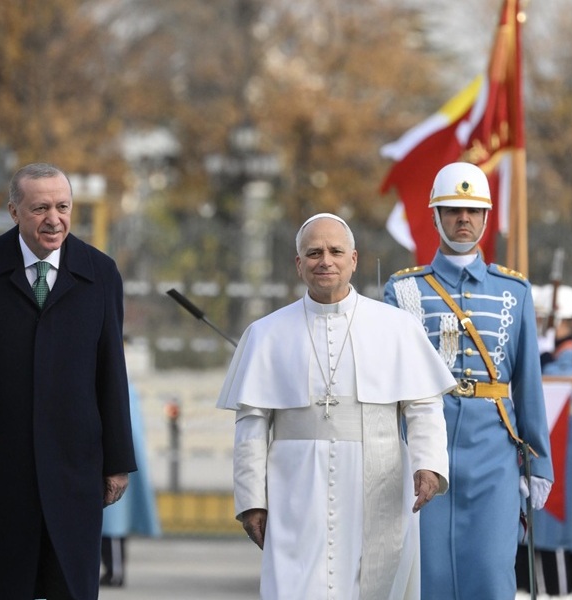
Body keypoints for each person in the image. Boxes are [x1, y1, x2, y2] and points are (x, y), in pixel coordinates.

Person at [0, 162, 135, 600]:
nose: (54, 219)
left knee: (68, 585)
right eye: (40, 208)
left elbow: (111, 370)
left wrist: (117, 459)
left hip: (73, 466)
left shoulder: (100, 274)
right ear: (13, 211)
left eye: (62, 206)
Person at [217, 213, 456, 599]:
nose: (324, 260)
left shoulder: (396, 327)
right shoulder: (265, 333)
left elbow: (424, 406)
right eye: (313, 252)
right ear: (299, 264)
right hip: (295, 489)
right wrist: (251, 500)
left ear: (354, 260)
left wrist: (428, 464)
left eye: (335, 251)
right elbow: (251, 425)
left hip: (378, 481)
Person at [384, 162, 553, 599]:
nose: (464, 219)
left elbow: (528, 384)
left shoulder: (515, 291)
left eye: (474, 210)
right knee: (429, 575)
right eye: (454, 209)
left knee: (492, 572)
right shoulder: (403, 291)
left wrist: (540, 460)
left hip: (493, 454)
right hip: (422, 451)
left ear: (486, 217)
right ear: (436, 215)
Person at [101, 382, 161, 588]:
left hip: (116, 464)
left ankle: (115, 573)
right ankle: (111, 571)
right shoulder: (126, 386)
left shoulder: (122, 387)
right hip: (115, 460)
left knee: (113, 527)